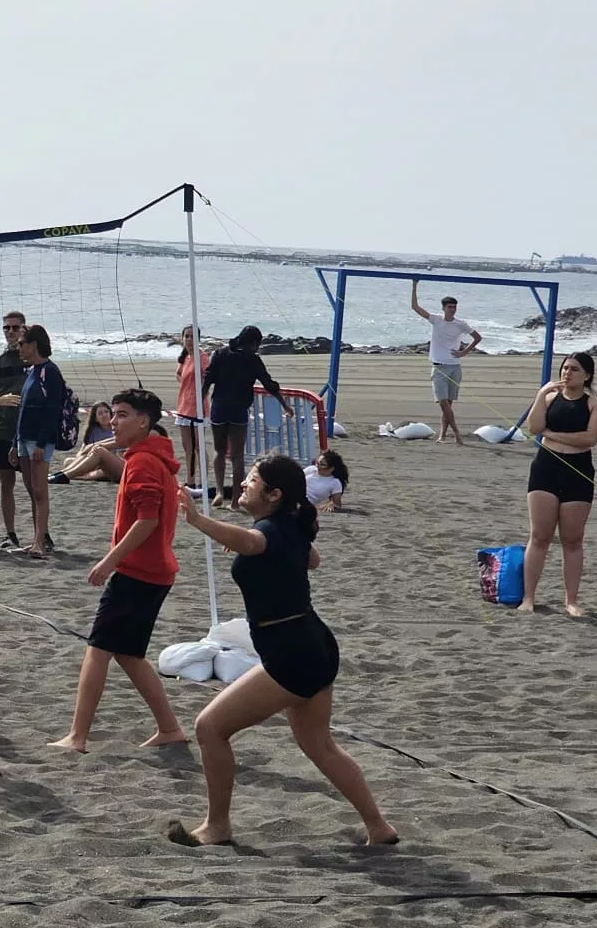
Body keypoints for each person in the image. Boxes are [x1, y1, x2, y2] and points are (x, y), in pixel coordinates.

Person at [169, 454, 398, 848]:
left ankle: (217, 826)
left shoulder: (270, 531)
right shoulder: (290, 525)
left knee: (209, 728)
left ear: (274, 494)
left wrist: (197, 519)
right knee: (319, 745)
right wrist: (256, 551)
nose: (244, 484)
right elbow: (311, 559)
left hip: (292, 654)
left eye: (253, 479)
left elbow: (254, 542)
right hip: (313, 645)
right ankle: (379, 827)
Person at [49, 388, 188, 754]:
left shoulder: (143, 461)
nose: (113, 421)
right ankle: (170, 728)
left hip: (139, 573)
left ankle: (77, 736)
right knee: (129, 655)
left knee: (97, 650)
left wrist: (109, 561)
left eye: (122, 414)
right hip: (154, 572)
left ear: (144, 422)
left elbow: (147, 520)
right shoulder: (149, 454)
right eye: (113, 414)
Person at [521, 353, 597, 615]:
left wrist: (551, 434)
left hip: (578, 470)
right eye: (565, 368)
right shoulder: (549, 398)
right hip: (546, 468)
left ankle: (571, 600)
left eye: (574, 369)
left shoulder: (594, 404)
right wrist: (540, 395)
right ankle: (528, 597)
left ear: (587, 375)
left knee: (572, 539)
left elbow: (589, 438)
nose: (567, 373)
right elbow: (534, 426)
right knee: (539, 535)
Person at [205, 325, 291, 507]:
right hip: (239, 409)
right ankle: (235, 500)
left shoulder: (220, 354)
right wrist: (284, 405)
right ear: (254, 343)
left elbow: (208, 379)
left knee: (219, 450)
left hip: (219, 406)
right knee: (237, 455)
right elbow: (269, 384)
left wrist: (200, 400)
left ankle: (220, 491)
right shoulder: (253, 359)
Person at [0, 324, 66, 557]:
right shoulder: (32, 371)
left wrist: (41, 443)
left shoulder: (50, 372)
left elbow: (53, 411)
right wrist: (14, 442)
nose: (18, 348)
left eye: (22, 344)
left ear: (34, 345)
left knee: (39, 491)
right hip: (24, 438)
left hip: (39, 440)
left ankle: (40, 541)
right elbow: (23, 411)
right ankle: (36, 539)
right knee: (31, 489)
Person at [411, 282, 482, 444]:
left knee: (448, 404)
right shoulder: (436, 320)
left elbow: (477, 337)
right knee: (443, 403)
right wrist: (414, 285)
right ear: (443, 308)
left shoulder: (460, 324)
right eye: (450, 307)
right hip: (439, 367)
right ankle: (457, 434)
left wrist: (464, 352)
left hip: (454, 367)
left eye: (454, 307)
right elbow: (415, 307)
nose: (452, 309)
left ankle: (442, 435)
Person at [0, 311, 28, 549]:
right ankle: (10, 533)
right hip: (3, 430)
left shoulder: (32, 361)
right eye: (6, 328)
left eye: (15, 327)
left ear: (24, 328)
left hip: (29, 431)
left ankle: (42, 534)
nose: (10, 331)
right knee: (6, 484)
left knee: (35, 486)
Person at [50, 405, 124, 485]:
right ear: (96, 419)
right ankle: (62, 473)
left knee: (99, 452)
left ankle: (71, 476)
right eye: (100, 413)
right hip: (96, 462)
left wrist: (94, 447)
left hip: (115, 466)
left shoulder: (120, 429)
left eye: (106, 412)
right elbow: (83, 452)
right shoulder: (94, 430)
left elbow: (119, 446)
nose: (104, 415)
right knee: (68, 461)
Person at [174, 324, 209, 488]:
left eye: (192, 336)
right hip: (183, 406)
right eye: (186, 336)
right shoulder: (185, 357)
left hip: (197, 407)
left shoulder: (202, 357)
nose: (188, 339)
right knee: (188, 447)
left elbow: (208, 376)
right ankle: (191, 480)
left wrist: (199, 391)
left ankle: (203, 481)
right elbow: (178, 374)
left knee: (199, 446)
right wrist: (186, 386)